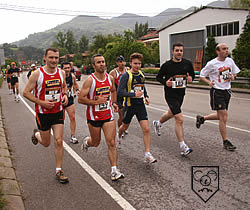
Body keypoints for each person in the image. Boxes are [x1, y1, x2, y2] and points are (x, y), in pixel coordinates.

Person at [23, 48, 69, 184]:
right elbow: (26, 92)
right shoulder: (37, 74)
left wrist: (65, 95)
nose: (54, 60)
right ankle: (36, 134)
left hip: (57, 111)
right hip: (42, 113)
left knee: (59, 141)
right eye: (51, 58)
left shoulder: (61, 73)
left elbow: (64, 87)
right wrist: (41, 102)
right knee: (46, 142)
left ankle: (59, 170)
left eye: (56, 58)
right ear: (45, 58)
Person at [78, 54, 124, 181]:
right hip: (94, 116)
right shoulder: (90, 81)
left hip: (108, 115)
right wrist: (95, 102)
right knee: (96, 142)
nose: (102, 64)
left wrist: (114, 103)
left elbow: (113, 90)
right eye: (99, 62)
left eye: (103, 61)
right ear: (93, 65)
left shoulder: (109, 78)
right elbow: (80, 99)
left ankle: (114, 170)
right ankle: (87, 142)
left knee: (112, 142)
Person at [153, 42, 195, 156]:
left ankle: (158, 123)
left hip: (181, 93)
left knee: (171, 113)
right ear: (172, 51)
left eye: (181, 50)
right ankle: (183, 146)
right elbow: (158, 77)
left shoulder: (187, 63)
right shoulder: (167, 65)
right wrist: (166, 83)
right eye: (177, 50)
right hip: (170, 94)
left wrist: (191, 78)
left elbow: (192, 75)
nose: (179, 53)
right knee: (179, 118)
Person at [196, 43, 240, 151]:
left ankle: (202, 118)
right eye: (224, 49)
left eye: (227, 49)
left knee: (220, 116)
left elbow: (235, 73)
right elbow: (202, 75)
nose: (226, 51)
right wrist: (208, 82)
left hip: (227, 91)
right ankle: (226, 141)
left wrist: (232, 77)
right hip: (217, 91)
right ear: (218, 51)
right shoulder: (212, 63)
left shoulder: (230, 61)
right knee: (224, 116)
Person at [117, 52, 157, 163]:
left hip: (140, 105)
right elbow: (120, 92)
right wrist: (133, 95)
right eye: (135, 63)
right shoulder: (126, 76)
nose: (137, 65)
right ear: (130, 63)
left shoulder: (142, 74)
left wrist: (146, 96)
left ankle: (147, 154)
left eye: (139, 63)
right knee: (124, 126)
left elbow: (142, 88)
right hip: (129, 105)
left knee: (146, 129)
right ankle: (118, 136)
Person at [109, 55, 129, 141]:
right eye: (120, 62)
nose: (122, 63)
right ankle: (120, 130)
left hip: (127, 95)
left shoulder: (128, 70)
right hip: (118, 96)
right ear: (117, 63)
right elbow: (110, 85)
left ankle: (123, 127)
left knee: (127, 114)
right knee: (121, 115)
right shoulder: (113, 73)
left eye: (123, 61)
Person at [61, 61, 80, 144]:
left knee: (72, 117)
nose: (67, 70)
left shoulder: (72, 76)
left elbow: (75, 84)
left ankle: (73, 136)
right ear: (62, 69)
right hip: (60, 100)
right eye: (65, 68)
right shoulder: (59, 77)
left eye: (68, 68)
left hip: (69, 99)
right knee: (61, 119)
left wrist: (77, 90)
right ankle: (59, 136)